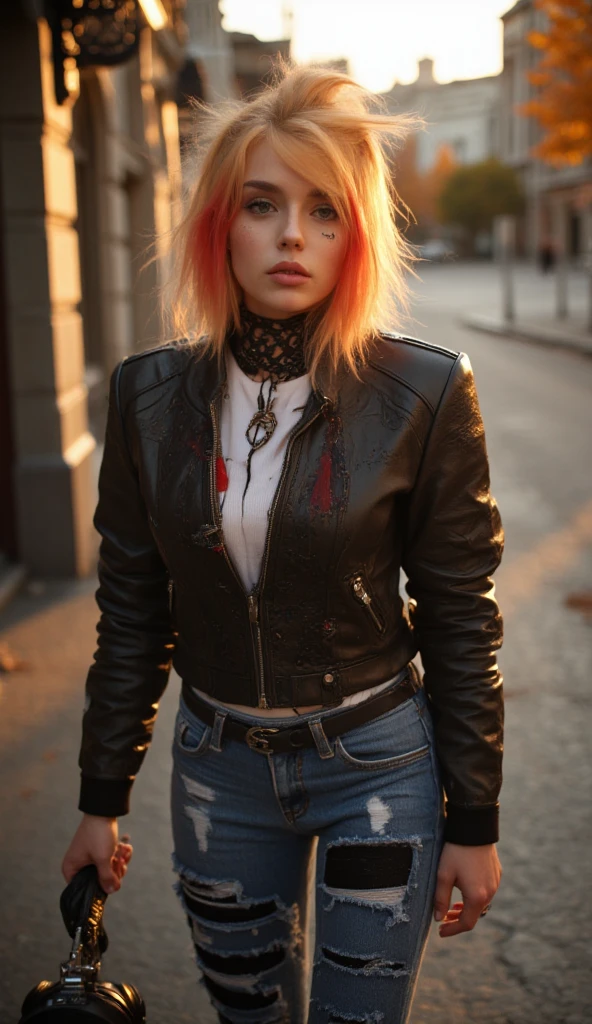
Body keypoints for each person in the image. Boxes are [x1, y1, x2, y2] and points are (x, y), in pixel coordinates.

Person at [62, 63, 504, 1024]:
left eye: (325, 211)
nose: (294, 235)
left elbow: (463, 613)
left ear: (357, 237)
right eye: (264, 204)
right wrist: (102, 798)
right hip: (219, 770)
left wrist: (474, 818)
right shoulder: (146, 397)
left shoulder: (423, 394)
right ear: (220, 221)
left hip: (377, 767)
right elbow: (132, 614)